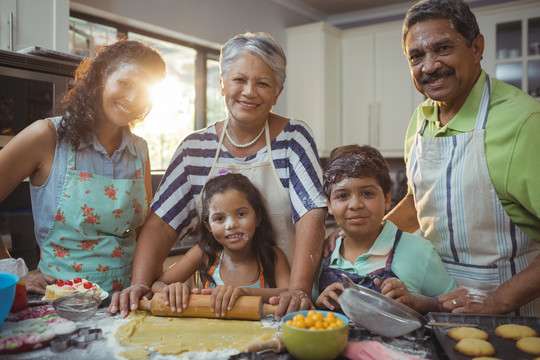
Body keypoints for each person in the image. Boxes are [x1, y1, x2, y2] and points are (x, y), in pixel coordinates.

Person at [108, 32, 327, 319]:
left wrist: (297, 290)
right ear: (222, 83)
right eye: (239, 80)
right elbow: (161, 225)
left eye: (263, 83)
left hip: (281, 307)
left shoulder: (294, 138)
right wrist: (140, 284)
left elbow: (311, 215)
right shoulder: (193, 148)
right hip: (214, 312)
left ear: (277, 92)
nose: (249, 92)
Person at [385, 0, 540, 316]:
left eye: (443, 48)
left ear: (476, 47)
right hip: (435, 301)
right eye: (416, 56)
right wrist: (365, 233)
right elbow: (422, 203)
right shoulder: (420, 119)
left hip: (510, 313)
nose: (429, 66)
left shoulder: (525, 123)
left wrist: (498, 301)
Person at [0, 40, 166, 294]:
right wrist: (14, 272)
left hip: (126, 302)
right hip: (62, 303)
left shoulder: (139, 150)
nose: (133, 99)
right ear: (101, 77)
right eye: (125, 84)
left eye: (143, 92)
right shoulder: (47, 136)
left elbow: (145, 232)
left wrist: (149, 282)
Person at [314, 145, 455, 314]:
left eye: (367, 193)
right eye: (342, 196)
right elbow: (310, 306)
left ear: (387, 199)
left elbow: (451, 307)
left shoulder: (420, 253)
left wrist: (415, 302)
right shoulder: (320, 257)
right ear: (329, 204)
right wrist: (319, 305)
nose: (355, 205)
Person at [151, 172, 290, 316]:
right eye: (219, 218)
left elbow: (289, 293)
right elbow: (156, 285)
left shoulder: (273, 256)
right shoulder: (203, 253)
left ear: (258, 218)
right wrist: (173, 290)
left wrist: (244, 292)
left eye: (241, 214)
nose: (231, 224)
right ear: (209, 227)